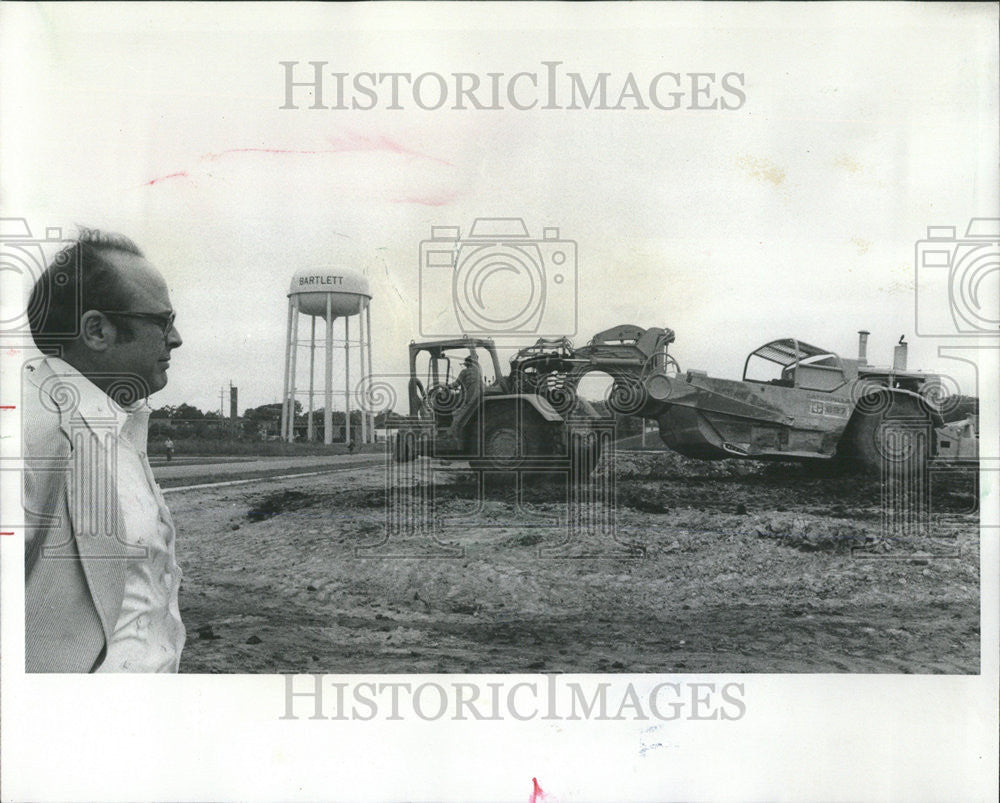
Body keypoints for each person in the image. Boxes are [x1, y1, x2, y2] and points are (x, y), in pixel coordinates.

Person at [22, 228, 185, 672]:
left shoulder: (120, 425)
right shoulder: (25, 436)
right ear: (96, 330)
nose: (175, 339)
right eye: (162, 321)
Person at [447, 353, 483, 439]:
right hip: (477, 398)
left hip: (468, 399)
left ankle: (452, 436)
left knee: (456, 416)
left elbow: (456, 384)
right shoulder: (478, 371)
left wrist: (447, 387)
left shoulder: (464, 372)